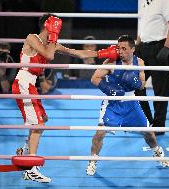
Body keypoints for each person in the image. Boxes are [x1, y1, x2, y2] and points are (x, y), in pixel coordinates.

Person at [12, 13, 118, 183]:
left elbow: (77, 53)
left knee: (42, 119)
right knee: (38, 124)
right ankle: (31, 167)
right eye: (56, 26)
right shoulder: (32, 38)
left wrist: (102, 53)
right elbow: (49, 56)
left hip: (31, 85)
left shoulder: (52, 44)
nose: (58, 30)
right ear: (47, 25)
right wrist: (52, 37)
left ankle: (25, 152)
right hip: (24, 82)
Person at [86, 35, 169, 176]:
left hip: (131, 102)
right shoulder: (112, 62)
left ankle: (158, 153)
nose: (120, 51)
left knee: (148, 132)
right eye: (119, 48)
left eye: (124, 48)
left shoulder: (140, 63)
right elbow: (94, 78)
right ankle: (92, 160)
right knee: (100, 132)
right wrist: (109, 90)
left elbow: (142, 83)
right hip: (113, 103)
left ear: (133, 49)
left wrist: (137, 83)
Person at [135, 0, 169, 135]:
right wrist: (137, 47)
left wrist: (167, 47)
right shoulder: (142, 1)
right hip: (143, 47)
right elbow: (143, 27)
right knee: (136, 83)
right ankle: (147, 122)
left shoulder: (165, 0)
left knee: (160, 87)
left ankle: (159, 126)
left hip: (159, 46)